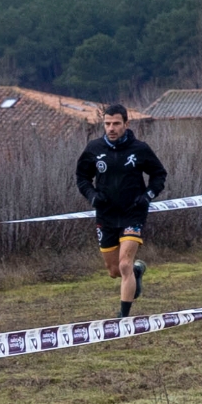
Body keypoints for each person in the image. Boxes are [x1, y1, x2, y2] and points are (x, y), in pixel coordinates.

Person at [75, 104, 167, 317]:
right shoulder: (94, 148)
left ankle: (123, 317)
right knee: (114, 270)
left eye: (116, 123)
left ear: (126, 124)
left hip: (132, 213)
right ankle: (137, 272)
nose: (111, 128)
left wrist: (147, 196)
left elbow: (159, 175)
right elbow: (82, 178)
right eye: (107, 124)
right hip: (106, 215)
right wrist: (92, 196)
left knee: (125, 263)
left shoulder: (140, 149)